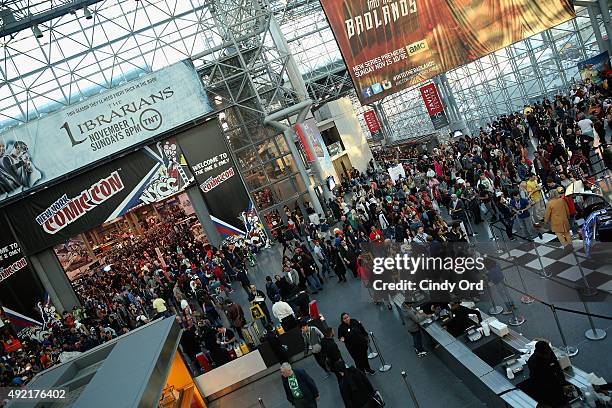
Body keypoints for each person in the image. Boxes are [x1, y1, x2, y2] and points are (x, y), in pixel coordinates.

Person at [524, 341, 570, 407]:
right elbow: (545, 382)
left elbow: (557, 369)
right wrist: (561, 388)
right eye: (546, 354)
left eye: (549, 352)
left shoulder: (549, 352)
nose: (548, 355)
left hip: (554, 384)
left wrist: (564, 383)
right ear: (539, 353)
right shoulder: (533, 363)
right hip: (543, 388)